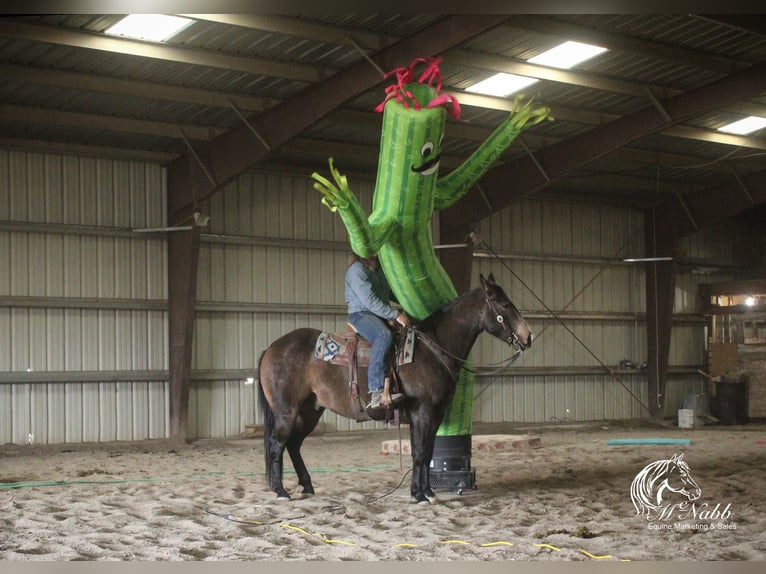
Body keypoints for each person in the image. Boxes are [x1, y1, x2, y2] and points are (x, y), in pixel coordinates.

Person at [345, 253, 410, 409]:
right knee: (383, 335)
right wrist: (396, 315)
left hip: (377, 313)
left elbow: (388, 293)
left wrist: (408, 301)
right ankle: (376, 391)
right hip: (361, 314)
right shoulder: (357, 270)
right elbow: (370, 301)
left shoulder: (377, 270)